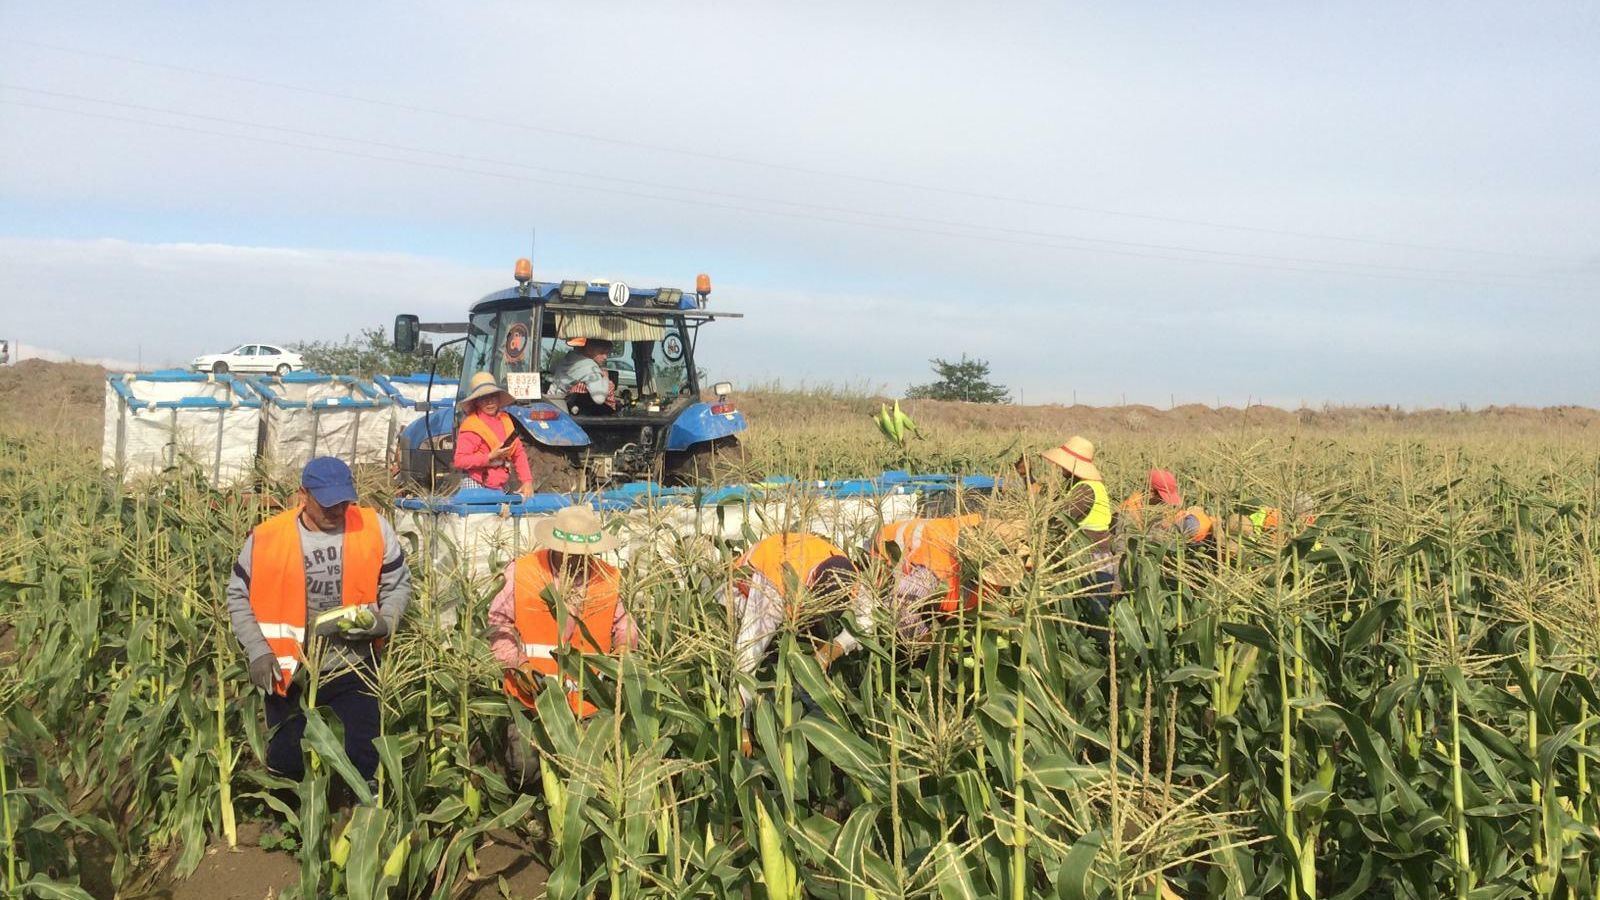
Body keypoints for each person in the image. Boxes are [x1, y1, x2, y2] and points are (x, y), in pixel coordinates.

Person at [227, 457, 411, 784]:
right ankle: (294, 826)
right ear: (303, 495)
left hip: (354, 666)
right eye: (327, 504)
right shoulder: (267, 538)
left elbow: (397, 585)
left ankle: (353, 823)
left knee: (362, 761)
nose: (337, 511)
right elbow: (237, 596)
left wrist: (385, 622)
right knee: (287, 762)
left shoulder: (373, 526)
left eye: (344, 502)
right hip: (289, 670)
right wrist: (257, 650)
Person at [488, 504, 638, 783]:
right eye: (572, 555)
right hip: (533, 697)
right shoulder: (525, 573)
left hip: (589, 699)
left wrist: (624, 648)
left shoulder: (607, 577)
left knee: (589, 775)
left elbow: (624, 622)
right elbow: (498, 624)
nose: (579, 561)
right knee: (526, 771)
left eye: (585, 556)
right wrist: (518, 663)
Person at [725, 532, 861, 755]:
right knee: (769, 664)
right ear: (810, 588)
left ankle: (820, 723)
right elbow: (747, 653)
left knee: (809, 661)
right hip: (741, 595)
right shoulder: (774, 586)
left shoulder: (848, 575)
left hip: (796, 606)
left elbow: (864, 622)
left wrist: (827, 654)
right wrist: (742, 725)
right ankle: (770, 728)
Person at [1039, 436, 1118, 618]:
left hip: (1092, 560)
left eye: (1064, 464)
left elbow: (1058, 519)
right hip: (1089, 557)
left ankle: (1108, 646)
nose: (1060, 468)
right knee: (1088, 613)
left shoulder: (1085, 489)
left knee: (1097, 617)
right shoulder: (1082, 486)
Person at [453, 372, 535, 499]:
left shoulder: (505, 420)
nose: (489, 401)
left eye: (493, 396)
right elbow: (460, 461)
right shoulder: (471, 426)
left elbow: (518, 452)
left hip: (501, 485)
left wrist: (527, 481)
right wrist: (490, 457)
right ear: (477, 402)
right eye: (484, 397)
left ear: (498, 398)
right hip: (477, 485)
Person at [1121, 469, 1215, 545]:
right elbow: (1129, 545)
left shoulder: (1155, 504)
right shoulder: (1128, 511)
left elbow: (1172, 517)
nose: (1166, 502)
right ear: (1150, 491)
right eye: (1163, 497)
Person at [545, 337, 617, 415]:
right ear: (590, 349)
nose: (605, 357)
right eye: (602, 353)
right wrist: (605, 378)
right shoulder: (591, 368)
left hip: (550, 402)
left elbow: (552, 368)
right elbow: (599, 399)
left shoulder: (567, 358)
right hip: (564, 410)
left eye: (607, 353)